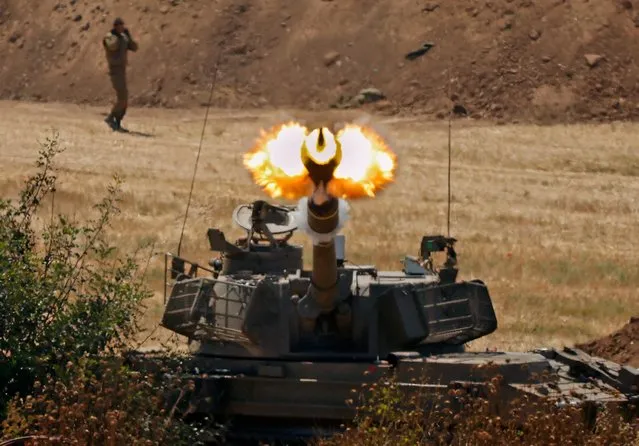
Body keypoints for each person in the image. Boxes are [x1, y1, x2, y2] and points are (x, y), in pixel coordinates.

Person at [103, 17, 138, 131]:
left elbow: (134, 48)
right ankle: (110, 117)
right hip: (115, 71)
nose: (122, 27)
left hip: (122, 71)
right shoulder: (110, 37)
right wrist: (119, 36)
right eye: (120, 25)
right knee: (122, 97)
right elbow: (112, 46)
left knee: (125, 98)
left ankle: (117, 121)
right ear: (115, 26)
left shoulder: (123, 37)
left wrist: (129, 37)